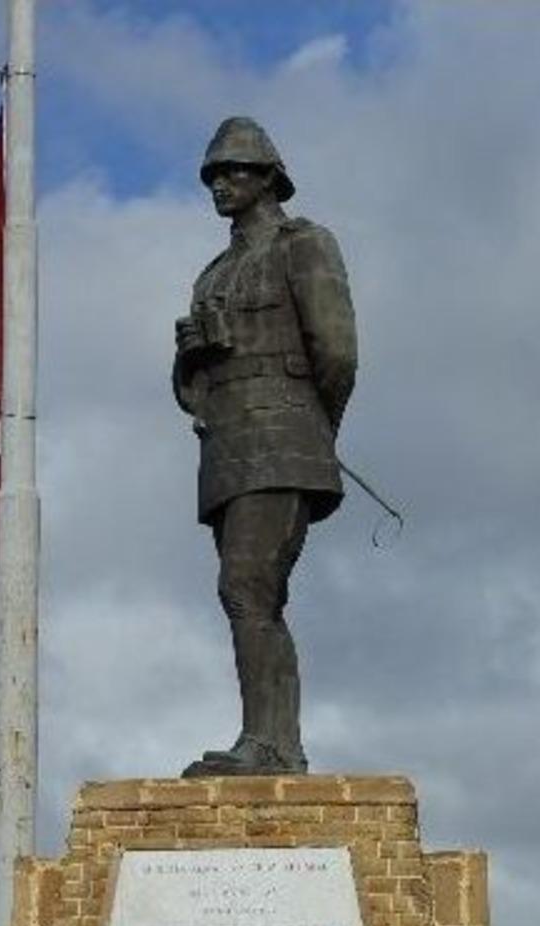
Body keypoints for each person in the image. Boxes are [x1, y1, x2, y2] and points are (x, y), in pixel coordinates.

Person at [175, 116, 358, 779]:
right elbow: (191, 394)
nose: (222, 183)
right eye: (214, 174)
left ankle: (272, 745)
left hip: (284, 438)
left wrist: (313, 430)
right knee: (246, 594)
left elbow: (336, 352)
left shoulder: (303, 244)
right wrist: (194, 357)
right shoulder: (213, 275)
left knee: (247, 585)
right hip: (225, 448)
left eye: (235, 171)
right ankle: (272, 742)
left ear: (268, 176)